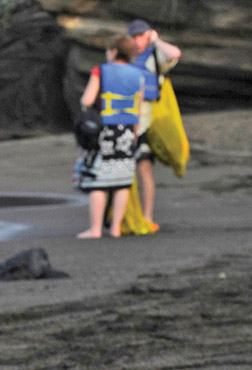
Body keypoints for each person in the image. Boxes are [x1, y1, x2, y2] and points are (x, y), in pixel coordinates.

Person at [75, 35, 146, 239]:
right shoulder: (138, 75)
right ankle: (115, 228)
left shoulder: (101, 71)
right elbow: (138, 108)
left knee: (98, 181)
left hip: (103, 130)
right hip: (126, 130)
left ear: (114, 51)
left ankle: (95, 229)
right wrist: (134, 133)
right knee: (122, 181)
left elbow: (87, 99)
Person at [126, 19, 181, 230]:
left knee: (144, 169)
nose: (138, 41)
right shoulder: (129, 58)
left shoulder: (156, 56)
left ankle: (147, 217)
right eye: (134, 37)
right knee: (126, 172)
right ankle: (127, 215)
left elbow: (174, 54)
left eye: (141, 36)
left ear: (148, 36)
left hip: (148, 125)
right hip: (129, 121)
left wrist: (156, 40)